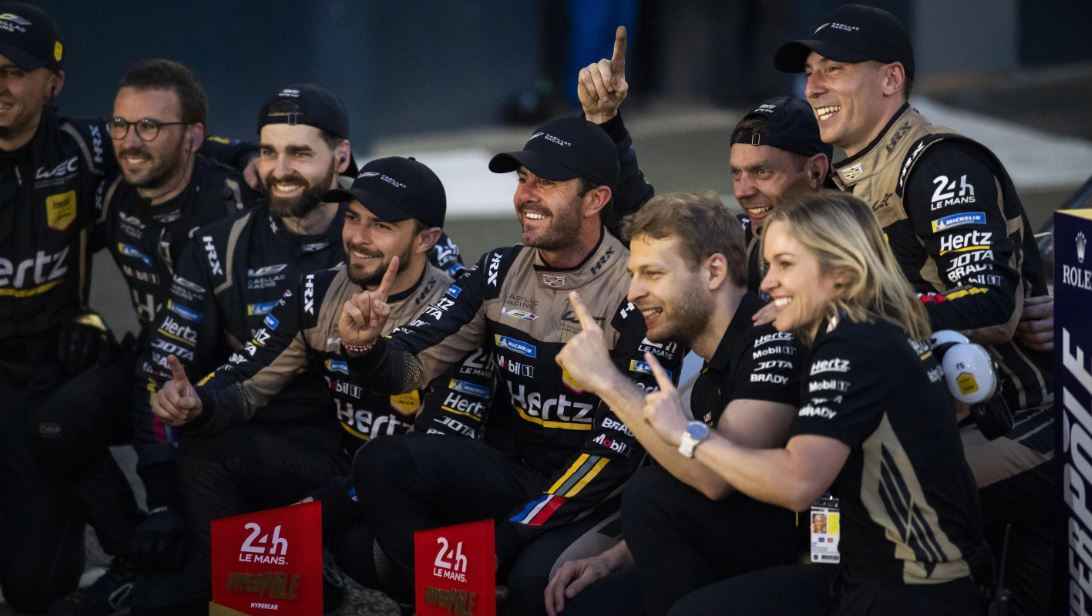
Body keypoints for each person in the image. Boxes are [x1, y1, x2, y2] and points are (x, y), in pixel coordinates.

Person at [336, 114, 680, 611]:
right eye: (523, 179)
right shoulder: (497, 270)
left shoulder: (638, 289)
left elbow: (617, 452)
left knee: (533, 587)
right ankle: (443, 599)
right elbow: (411, 365)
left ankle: (469, 585)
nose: (525, 196)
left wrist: (513, 533)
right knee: (380, 468)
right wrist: (365, 347)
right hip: (520, 474)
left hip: (603, 493)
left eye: (547, 182)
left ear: (596, 200)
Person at [774, 6, 1054, 612]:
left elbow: (992, 305)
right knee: (814, 513)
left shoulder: (937, 164)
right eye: (811, 71)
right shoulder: (841, 181)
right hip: (920, 421)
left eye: (833, 69)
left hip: (1014, 419)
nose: (813, 86)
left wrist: (854, 321)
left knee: (851, 501)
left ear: (891, 79)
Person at [643, 191, 986, 615]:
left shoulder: (852, 345)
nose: (766, 283)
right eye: (768, 265)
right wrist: (803, 309)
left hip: (908, 590)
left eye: (785, 265)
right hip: (870, 574)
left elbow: (798, 483)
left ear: (840, 273)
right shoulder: (876, 325)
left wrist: (687, 434)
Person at [153, 156, 493, 572]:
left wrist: (326, 504)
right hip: (347, 465)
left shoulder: (460, 310)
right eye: (352, 218)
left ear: (426, 239)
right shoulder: (317, 290)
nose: (358, 238)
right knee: (207, 444)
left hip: (425, 484)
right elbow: (248, 376)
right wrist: (198, 403)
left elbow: (440, 450)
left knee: (361, 547)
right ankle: (224, 581)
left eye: (381, 225)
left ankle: (427, 584)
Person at [135, 83, 355, 614]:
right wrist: (174, 398)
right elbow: (163, 364)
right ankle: (255, 577)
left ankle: (293, 571)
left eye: (300, 153)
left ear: (341, 157)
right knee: (200, 435)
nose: (281, 169)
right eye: (269, 152)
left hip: (365, 450)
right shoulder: (218, 245)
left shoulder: (387, 229)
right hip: (263, 440)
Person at [547, 192, 803, 616]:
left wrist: (607, 381)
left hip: (816, 563)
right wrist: (611, 560)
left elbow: (715, 479)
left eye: (652, 273)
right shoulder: (711, 368)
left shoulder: (771, 339)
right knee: (582, 601)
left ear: (714, 271)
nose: (633, 293)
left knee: (650, 493)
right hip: (742, 550)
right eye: (632, 274)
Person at [0, 4, 144, 613]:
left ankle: (144, 554)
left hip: (55, 365)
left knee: (37, 587)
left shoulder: (86, 147)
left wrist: (250, 157)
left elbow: (179, 148)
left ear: (52, 84)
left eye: (13, 72)